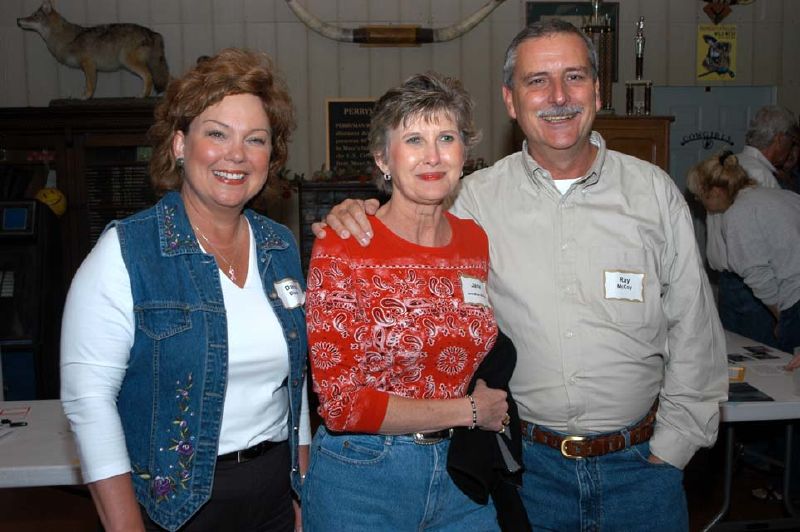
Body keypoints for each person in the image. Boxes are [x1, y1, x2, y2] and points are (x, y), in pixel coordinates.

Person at [314, 19, 728, 531]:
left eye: (574, 77)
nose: (558, 96)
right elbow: (409, 215)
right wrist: (354, 212)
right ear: (511, 100)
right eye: (537, 81)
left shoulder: (653, 193)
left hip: (642, 470)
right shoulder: (474, 201)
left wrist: (674, 449)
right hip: (528, 473)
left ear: (597, 91)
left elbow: (696, 331)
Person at [60, 48, 310, 531]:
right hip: (171, 508)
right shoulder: (126, 251)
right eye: (217, 133)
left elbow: (293, 387)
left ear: (270, 158)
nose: (236, 155)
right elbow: (88, 402)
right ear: (179, 144)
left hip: (274, 497)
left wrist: (302, 493)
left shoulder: (279, 246)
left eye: (255, 140)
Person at [302, 72, 524, 531]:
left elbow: (475, 342)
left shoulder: (473, 241)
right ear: (384, 158)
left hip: (460, 474)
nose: (433, 156)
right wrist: (470, 410)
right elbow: (341, 404)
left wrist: (481, 392)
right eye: (414, 140)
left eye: (447, 137)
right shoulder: (343, 244)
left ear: (464, 153)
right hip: (362, 480)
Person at [689, 151, 800, 354]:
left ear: (715, 191)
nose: (699, 202)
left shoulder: (737, 214)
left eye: (699, 196)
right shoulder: (784, 195)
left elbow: (758, 275)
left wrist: (781, 320)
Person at [705, 105, 797, 347]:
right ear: (780, 139)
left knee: (736, 356)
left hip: (729, 283)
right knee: (769, 360)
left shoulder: (726, 167)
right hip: (757, 288)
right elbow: (777, 241)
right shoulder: (760, 177)